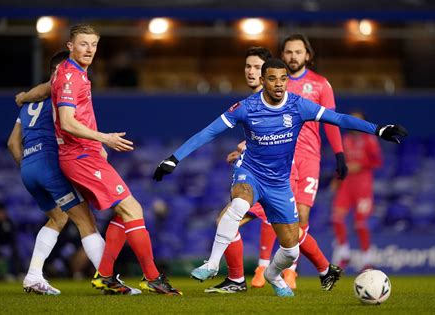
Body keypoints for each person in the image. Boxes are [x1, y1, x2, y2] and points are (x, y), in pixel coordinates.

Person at [153, 58, 407, 297]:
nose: (279, 84)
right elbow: (208, 132)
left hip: (279, 183)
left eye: (283, 79)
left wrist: (378, 129)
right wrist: (174, 158)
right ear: (262, 81)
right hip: (250, 172)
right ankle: (212, 263)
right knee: (239, 203)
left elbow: (338, 119)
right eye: (272, 79)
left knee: (290, 249)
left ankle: (274, 275)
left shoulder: (298, 105)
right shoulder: (246, 108)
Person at [50, 24, 180, 295]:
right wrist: (103, 138)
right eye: (83, 44)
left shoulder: (73, 73)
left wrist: (97, 145)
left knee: (125, 212)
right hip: (79, 156)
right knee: (134, 210)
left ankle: (106, 275)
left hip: (85, 154)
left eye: (94, 44)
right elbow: (66, 122)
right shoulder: (71, 77)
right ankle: (152, 276)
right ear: (69, 46)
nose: (89, 49)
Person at [7, 50, 107, 295]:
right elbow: (71, 126)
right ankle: (109, 279)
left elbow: (12, 143)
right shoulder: (61, 92)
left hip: (29, 167)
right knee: (86, 222)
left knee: (58, 218)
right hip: (50, 166)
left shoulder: (29, 104)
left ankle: (33, 276)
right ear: (58, 70)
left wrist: (29, 165)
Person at [271, 34, 348, 289]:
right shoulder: (275, 83)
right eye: (289, 52)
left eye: (298, 52)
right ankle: (289, 271)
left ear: (308, 55)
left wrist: (339, 154)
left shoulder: (320, 85)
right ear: (283, 55)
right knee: (287, 216)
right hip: (283, 158)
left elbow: (332, 121)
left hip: (310, 158)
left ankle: (296, 268)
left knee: (302, 217)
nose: (293, 56)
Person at [205, 47, 276, 294]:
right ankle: (240, 279)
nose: (250, 71)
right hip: (259, 175)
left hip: (268, 178)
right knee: (293, 234)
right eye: (248, 66)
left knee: (226, 220)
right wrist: (244, 151)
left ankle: (239, 279)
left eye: (257, 67)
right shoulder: (251, 102)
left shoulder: (274, 98)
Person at [331, 110, 382, 271]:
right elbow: (341, 162)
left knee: (360, 223)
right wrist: (336, 179)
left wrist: (360, 165)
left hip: (363, 186)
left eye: (358, 120)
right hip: (346, 185)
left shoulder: (370, 140)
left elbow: (377, 161)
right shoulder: (345, 140)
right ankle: (344, 253)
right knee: (337, 218)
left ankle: (367, 261)